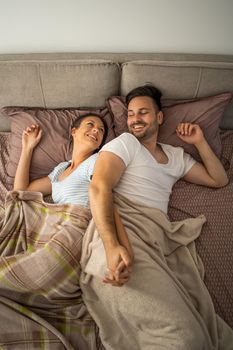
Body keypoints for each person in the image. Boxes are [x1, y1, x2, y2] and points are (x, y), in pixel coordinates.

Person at [89, 84, 229, 286]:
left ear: (160, 118)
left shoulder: (176, 156)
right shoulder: (126, 142)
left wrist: (199, 141)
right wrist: (111, 247)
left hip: (155, 231)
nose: (135, 119)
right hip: (123, 225)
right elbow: (98, 187)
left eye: (143, 113)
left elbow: (219, 180)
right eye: (130, 114)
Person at [13, 113, 133, 283]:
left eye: (101, 130)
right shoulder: (61, 169)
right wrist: (27, 148)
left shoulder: (97, 161)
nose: (96, 131)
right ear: (74, 131)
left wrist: (123, 248)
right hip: (55, 228)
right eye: (90, 125)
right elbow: (21, 191)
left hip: (77, 227)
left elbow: (106, 198)